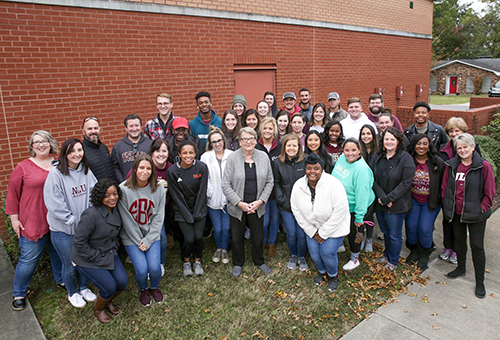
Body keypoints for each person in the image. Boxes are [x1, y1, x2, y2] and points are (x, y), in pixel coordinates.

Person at [6, 131, 63, 311]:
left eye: (44, 141)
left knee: (59, 253)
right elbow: (12, 195)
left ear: (50, 143)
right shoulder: (23, 167)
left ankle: (61, 280)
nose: (41, 145)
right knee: (29, 259)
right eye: (36, 142)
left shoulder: (59, 164)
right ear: (32, 146)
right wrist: (14, 219)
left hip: (56, 219)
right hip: (33, 220)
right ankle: (19, 293)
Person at [44, 138, 97, 308]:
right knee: (69, 263)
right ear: (65, 154)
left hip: (84, 227)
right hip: (63, 230)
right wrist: (72, 221)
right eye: (72, 151)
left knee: (84, 260)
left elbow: (94, 193)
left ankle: (83, 288)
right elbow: (54, 204)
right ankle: (72, 292)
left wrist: (89, 218)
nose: (76, 154)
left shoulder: (86, 171)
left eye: (79, 150)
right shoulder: (55, 174)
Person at [442, 133, 495, 298]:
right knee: (459, 242)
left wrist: (482, 207)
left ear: (473, 147)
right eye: (459, 148)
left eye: (466, 147)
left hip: (475, 214)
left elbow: (490, 191)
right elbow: (445, 187)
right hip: (457, 213)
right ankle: (461, 268)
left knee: (477, 246)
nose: (462, 150)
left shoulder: (483, 166)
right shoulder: (452, 165)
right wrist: (447, 203)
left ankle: (480, 281)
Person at [71, 179, 128, 323]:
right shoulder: (90, 215)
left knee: (122, 282)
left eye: (114, 194)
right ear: (99, 196)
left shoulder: (116, 210)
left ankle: (107, 300)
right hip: (88, 257)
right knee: (109, 286)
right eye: (107, 195)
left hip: (109, 253)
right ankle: (99, 309)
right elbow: (79, 242)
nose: (112, 198)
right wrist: (96, 256)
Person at [291, 154, 350, 292]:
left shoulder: (334, 184)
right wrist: (312, 232)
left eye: (316, 168)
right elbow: (296, 209)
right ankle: (322, 272)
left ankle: (332, 275)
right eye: (309, 168)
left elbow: (340, 211)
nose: (312, 172)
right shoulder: (298, 185)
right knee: (314, 252)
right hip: (312, 227)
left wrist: (323, 233)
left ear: (322, 169)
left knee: (327, 252)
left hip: (335, 227)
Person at [222, 127, 274, 277]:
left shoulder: (263, 157)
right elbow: (226, 184)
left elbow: (270, 181)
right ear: (239, 142)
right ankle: (238, 262)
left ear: (256, 140)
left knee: (257, 236)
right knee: (237, 237)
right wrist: (239, 203)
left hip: (257, 205)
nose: (248, 141)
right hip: (238, 206)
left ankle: (259, 260)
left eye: (251, 138)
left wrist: (260, 201)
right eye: (245, 139)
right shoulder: (232, 158)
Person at [119, 154, 166, 307]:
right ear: (134, 169)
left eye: (148, 168)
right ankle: (143, 289)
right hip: (131, 237)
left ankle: (155, 287)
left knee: (154, 268)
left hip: (151, 235)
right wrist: (139, 240)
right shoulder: (123, 189)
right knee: (141, 270)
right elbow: (126, 219)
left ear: (152, 171)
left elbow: (159, 217)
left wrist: (148, 240)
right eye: (141, 168)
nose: (144, 171)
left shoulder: (159, 188)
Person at [371, 127, 416, 270]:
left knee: (394, 234)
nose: (389, 142)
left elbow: (406, 183)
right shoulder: (377, 156)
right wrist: (382, 197)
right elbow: (371, 177)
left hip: (397, 205)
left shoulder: (405, 158)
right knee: (385, 232)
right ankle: (386, 255)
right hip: (381, 203)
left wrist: (389, 198)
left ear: (398, 141)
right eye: (386, 139)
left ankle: (393, 261)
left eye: (392, 139)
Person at [332, 138, 375, 270]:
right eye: (347, 150)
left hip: (358, 206)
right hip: (342, 204)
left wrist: (359, 216)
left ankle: (354, 258)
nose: (350, 153)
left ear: (359, 151)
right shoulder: (341, 159)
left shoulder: (362, 170)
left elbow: (362, 195)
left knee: (355, 232)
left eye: (354, 150)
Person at [167, 141, 209, 276]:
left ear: (195, 154)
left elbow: (202, 192)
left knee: (198, 237)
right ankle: (186, 262)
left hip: (199, 209)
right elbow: (176, 196)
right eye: (184, 153)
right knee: (189, 238)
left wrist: (197, 213)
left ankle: (197, 261)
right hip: (182, 211)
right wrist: (188, 216)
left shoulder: (202, 167)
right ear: (179, 154)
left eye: (191, 152)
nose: (188, 156)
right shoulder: (172, 171)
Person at [405, 134, 445, 270]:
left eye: (424, 144)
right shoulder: (409, 160)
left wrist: (441, 198)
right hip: (413, 200)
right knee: (411, 228)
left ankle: (424, 253)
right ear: (413, 145)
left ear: (429, 146)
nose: (421, 147)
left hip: (430, 202)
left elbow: (444, 183)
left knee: (424, 229)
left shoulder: (437, 162)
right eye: (418, 144)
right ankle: (414, 251)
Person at [272, 134, 308, 270]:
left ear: (299, 147)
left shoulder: (305, 161)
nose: (291, 148)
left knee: (301, 234)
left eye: (295, 145)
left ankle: (302, 256)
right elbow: (276, 183)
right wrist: (280, 198)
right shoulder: (277, 163)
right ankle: (293, 255)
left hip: (303, 205)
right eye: (289, 145)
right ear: (284, 147)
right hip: (286, 205)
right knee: (291, 233)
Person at [201, 128, 233, 264]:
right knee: (217, 227)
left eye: (219, 140)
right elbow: (204, 177)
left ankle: (224, 249)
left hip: (228, 198)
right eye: (214, 142)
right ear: (210, 143)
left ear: (223, 140)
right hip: (213, 198)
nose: (217, 144)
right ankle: (218, 248)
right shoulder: (205, 157)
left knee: (226, 227)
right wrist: (210, 192)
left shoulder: (232, 155)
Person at [256, 117, 282, 258]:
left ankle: (271, 244)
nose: (267, 131)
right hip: (261, 192)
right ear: (261, 130)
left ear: (274, 130)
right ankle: (263, 241)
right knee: (264, 222)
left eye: (270, 128)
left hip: (276, 190)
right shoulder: (255, 147)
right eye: (265, 128)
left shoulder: (280, 146)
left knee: (275, 220)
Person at [148, 138, 172, 272]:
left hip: (159, 211)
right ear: (152, 153)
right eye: (157, 151)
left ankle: (160, 263)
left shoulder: (171, 169)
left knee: (161, 237)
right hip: (143, 211)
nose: (161, 154)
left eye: (164, 151)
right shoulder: (145, 166)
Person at [111, 114, 152, 183]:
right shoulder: (118, 147)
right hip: (127, 186)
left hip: (146, 185)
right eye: (131, 126)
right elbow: (115, 167)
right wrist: (123, 182)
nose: (134, 129)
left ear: (141, 126)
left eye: (136, 125)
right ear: (126, 128)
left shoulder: (150, 144)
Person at [82, 117, 117, 182]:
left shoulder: (103, 147)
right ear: (83, 132)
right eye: (90, 129)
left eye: (96, 128)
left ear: (100, 130)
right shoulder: (81, 151)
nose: (93, 131)